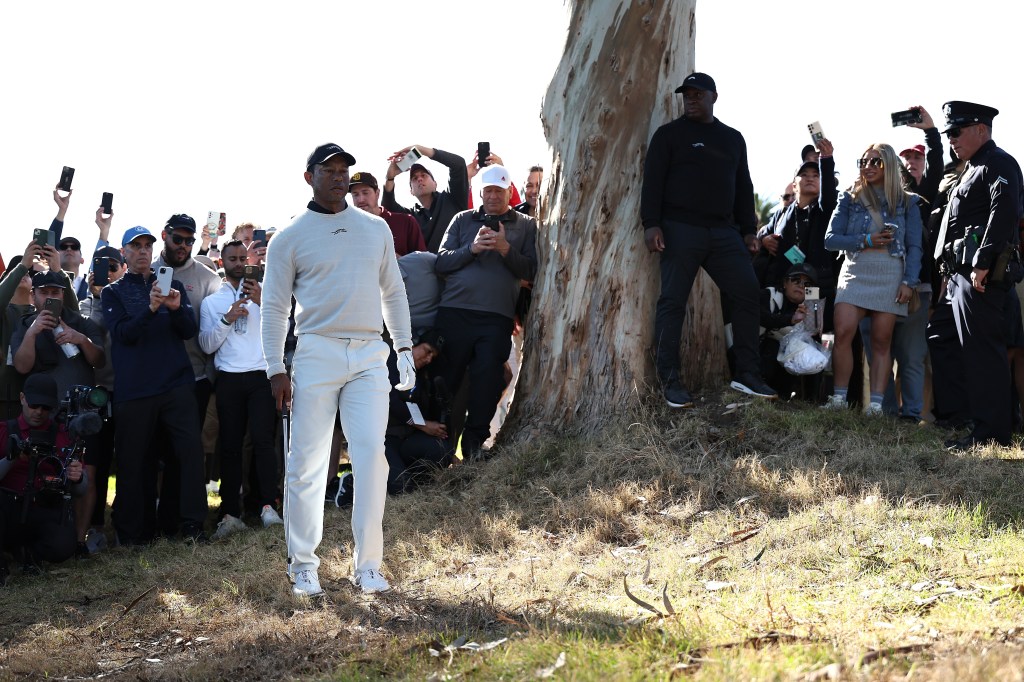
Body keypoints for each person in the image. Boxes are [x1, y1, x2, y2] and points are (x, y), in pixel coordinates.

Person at [261, 143, 414, 597]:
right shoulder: (288, 238)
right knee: (307, 463)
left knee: (372, 458)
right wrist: (274, 367)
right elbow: (274, 309)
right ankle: (303, 565)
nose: (339, 176)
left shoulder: (375, 228)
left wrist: (402, 346)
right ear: (309, 177)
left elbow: (394, 292)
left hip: (370, 353)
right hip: (316, 352)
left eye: (344, 168)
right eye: (328, 169)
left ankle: (368, 565)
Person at [640, 71, 778, 408]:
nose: (690, 99)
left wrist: (748, 229)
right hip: (679, 229)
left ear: (713, 97)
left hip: (723, 232)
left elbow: (743, 186)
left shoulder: (732, 138)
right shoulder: (668, 135)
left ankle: (747, 373)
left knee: (747, 292)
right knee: (672, 302)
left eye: (697, 94)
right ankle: (669, 380)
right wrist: (651, 224)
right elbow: (652, 181)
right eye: (686, 94)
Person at [101, 226, 208, 545]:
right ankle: (135, 532)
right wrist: (150, 309)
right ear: (124, 253)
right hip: (134, 391)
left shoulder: (170, 283)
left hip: (176, 385)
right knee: (134, 462)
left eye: (148, 245)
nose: (144, 251)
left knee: (189, 455)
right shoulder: (113, 292)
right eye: (136, 246)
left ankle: (191, 525)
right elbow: (123, 335)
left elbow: (189, 330)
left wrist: (175, 310)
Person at [928, 101, 1023, 449]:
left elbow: (1005, 209)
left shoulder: (997, 162)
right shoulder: (970, 168)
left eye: (956, 131)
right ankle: (960, 416)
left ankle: (992, 434)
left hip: (979, 274)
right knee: (942, 339)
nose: (951, 138)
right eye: (948, 133)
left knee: (984, 353)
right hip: (957, 277)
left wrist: (983, 259)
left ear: (981, 129)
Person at [434, 164, 538, 461]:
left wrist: (506, 249)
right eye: (488, 190)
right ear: (479, 192)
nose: (493, 196)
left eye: (499, 190)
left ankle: (474, 448)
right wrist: (472, 249)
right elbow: (440, 262)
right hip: (455, 313)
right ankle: (438, 451)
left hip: (496, 318)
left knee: (487, 383)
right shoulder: (462, 219)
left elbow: (532, 270)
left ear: (509, 191)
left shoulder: (526, 225)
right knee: (446, 383)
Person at [823, 143, 924, 415]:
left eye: (875, 162)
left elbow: (915, 246)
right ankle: (839, 400)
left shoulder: (907, 201)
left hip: (891, 271)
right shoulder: (849, 198)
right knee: (843, 331)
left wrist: (909, 282)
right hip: (855, 269)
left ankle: (876, 406)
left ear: (889, 165)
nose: (867, 166)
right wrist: (865, 240)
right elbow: (830, 240)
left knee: (882, 341)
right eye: (863, 161)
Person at [198, 240, 283, 539]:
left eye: (241, 258)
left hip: (261, 376)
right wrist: (227, 318)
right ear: (222, 263)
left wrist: (262, 302)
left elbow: (283, 331)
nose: (237, 263)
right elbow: (206, 345)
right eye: (231, 258)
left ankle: (267, 506)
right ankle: (230, 512)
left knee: (263, 442)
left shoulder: (267, 294)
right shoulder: (211, 303)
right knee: (230, 446)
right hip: (229, 378)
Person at [0, 374, 87, 581]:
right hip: (8, 508)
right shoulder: (4, 430)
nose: (39, 412)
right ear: (22, 398)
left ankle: (30, 553)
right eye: (34, 405)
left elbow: (81, 490)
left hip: (45, 507)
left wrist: (77, 478)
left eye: (46, 407)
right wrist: (12, 458)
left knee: (63, 546)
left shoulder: (65, 435)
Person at [11, 271, 106, 401]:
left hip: (78, 405)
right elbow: (22, 367)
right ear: (33, 295)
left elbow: (100, 361)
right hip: (43, 408)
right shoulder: (24, 325)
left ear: (63, 295)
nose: (50, 297)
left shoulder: (83, 322)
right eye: (44, 293)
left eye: (55, 292)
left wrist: (82, 340)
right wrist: (31, 333)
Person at [381, 145, 469, 253]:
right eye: (414, 178)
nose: (419, 179)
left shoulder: (452, 199)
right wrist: (390, 177)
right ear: (411, 191)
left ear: (435, 184)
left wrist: (420, 150)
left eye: (424, 175)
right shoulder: (411, 217)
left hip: (457, 265)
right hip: (426, 268)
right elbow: (387, 207)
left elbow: (459, 164)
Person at [349, 171, 426, 256]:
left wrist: (392, 260)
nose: (361, 200)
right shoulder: (347, 229)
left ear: (377, 194)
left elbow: (422, 263)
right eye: (355, 195)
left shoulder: (406, 222)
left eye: (365, 193)